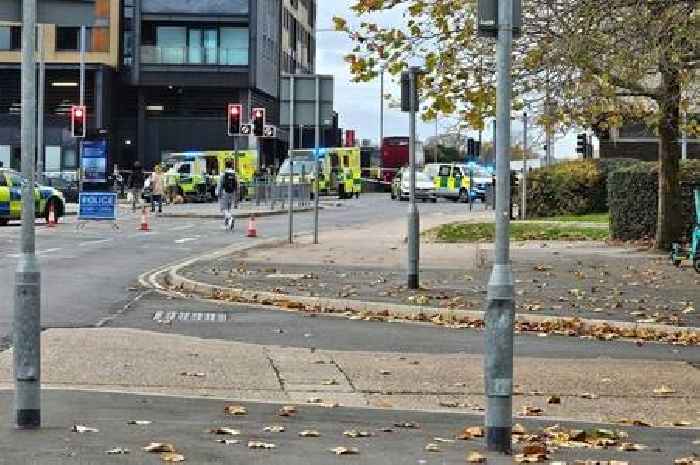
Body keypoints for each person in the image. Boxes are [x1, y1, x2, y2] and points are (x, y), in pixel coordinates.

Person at [217, 160, 238, 230]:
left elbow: (220, 184)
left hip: (224, 192)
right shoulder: (234, 173)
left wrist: (218, 193)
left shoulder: (223, 173)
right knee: (228, 208)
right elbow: (237, 185)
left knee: (223, 209)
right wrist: (237, 195)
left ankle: (230, 218)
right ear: (231, 165)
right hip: (232, 192)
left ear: (225, 165)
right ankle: (227, 224)